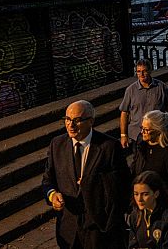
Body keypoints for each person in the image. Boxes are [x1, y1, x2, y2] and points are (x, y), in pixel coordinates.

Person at [42, 100, 130, 248]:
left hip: (99, 229)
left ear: (91, 121)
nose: (70, 125)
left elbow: (124, 185)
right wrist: (52, 195)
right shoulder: (56, 144)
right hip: (68, 229)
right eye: (68, 120)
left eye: (77, 120)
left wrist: (95, 183)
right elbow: (47, 180)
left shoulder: (110, 147)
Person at [130, 110, 168, 235]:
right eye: (142, 128)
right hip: (141, 202)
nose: (142, 132)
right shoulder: (141, 146)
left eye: (146, 130)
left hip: (160, 205)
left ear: (158, 130)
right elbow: (134, 169)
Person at [120, 59, 168, 150]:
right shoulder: (131, 90)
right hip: (137, 134)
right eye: (138, 71)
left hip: (157, 133)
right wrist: (123, 135)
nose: (141, 74)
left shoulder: (161, 87)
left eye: (144, 71)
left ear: (150, 71)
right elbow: (124, 113)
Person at [127, 171, 168, 249]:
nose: (139, 199)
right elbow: (132, 244)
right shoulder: (135, 216)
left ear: (156, 194)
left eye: (145, 194)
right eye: (136, 194)